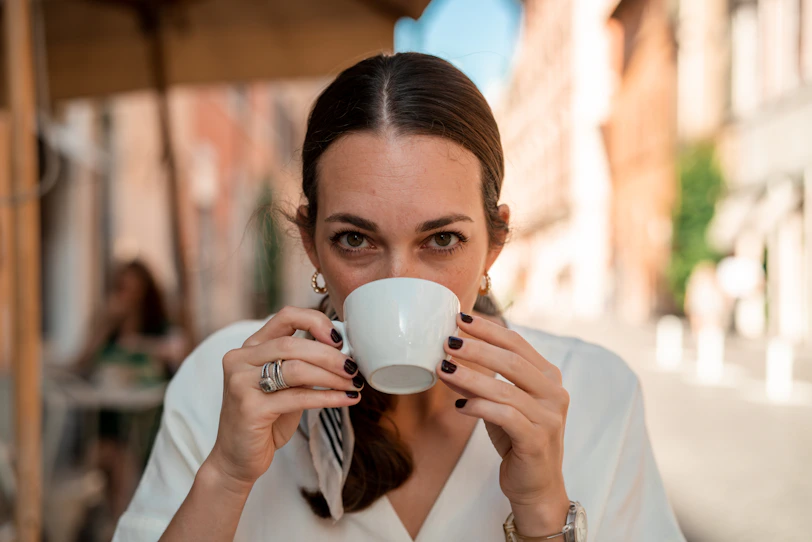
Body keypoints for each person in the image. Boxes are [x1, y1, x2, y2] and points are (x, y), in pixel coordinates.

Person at [113, 53, 685, 541]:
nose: (397, 280)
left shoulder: (596, 393)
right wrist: (227, 476)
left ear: (494, 244)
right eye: (355, 239)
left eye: (441, 240)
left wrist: (543, 515)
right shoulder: (225, 380)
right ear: (313, 246)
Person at [72, 259, 188, 521]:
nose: (128, 295)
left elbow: (177, 350)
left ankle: (122, 519)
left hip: (145, 412)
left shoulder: (157, 325)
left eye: (134, 289)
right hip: (111, 408)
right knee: (102, 458)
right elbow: (82, 361)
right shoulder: (109, 323)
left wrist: (139, 345)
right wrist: (104, 323)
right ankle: (114, 517)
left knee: (125, 462)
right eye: (123, 287)